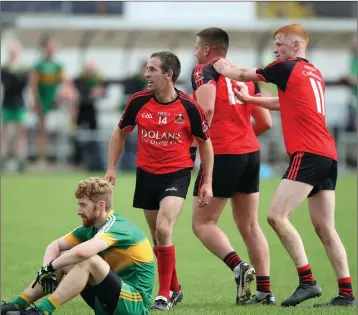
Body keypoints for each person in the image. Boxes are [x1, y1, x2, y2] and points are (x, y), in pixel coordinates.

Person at [214, 24, 356, 307]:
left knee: (276, 216)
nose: (275, 49)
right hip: (327, 154)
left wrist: (220, 65)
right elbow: (284, 102)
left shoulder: (284, 67)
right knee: (325, 227)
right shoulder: (311, 71)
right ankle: (346, 294)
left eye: (279, 43)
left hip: (308, 153)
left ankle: (307, 281)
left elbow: (243, 73)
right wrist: (250, 99)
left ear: (295, 45)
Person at [104, 51, 214, 311]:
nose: (146, 74)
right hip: (146, 175)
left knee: (164, 229)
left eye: (152, 69)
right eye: (146, 68)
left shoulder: (189, 107)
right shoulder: (138, 101)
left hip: (177, 174)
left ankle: (163, 294)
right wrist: (111, 168)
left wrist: (207, 180)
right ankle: (175, 288)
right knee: (157, 238)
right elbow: (119, 134)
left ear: (168, 75)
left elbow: (206, 144)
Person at [190, 27, 274, 305]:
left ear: (205, 50)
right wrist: (242, 138)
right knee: (250, 225)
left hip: (222, 154)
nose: (194, 52)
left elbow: (208, 109)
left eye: (195, 47)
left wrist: (194, 144)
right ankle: (265, 292)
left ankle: (239, 267)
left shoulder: (203, 70)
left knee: (203, 223)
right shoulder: (245, 76)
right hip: (251, 154)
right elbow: (265, 123)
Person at [1, 177, 155, 315]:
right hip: (110, 301)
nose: (78, 211)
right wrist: (47, 269)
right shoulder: (91, 226)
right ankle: (16, 305)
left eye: (83, 205)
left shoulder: (118, 226)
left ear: (100, 205)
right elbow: (55, 245)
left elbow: (82, 253)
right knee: (64, 257)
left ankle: (42, 311)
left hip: (135, 306)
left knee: (88, 260)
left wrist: (50, 267)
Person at [29, 36, 73, 165]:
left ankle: (62, 157)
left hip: (55, 101)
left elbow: (66, 82)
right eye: (49, 46)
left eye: (53, 47)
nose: (51, 49)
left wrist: (62, 95)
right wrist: (35, 101)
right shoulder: (38, 65)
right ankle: (41, 157)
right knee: (41, 129)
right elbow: (33, 85)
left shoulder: (58, 65)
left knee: (60, 127)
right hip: (42, 100)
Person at [1, 41, 29, 172]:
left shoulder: (23, 69)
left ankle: (21, 160)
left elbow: (23, 85)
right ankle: (3, 159)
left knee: (21, 134)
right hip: (7, 104)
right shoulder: (4, 68)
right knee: (5, 133)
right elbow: (6, 84)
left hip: (20, 105)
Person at [72, 61, 105, 167]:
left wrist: (98, 93)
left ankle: (93, 158)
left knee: (94, 133)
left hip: (92, 109)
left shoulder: (97, 80)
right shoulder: (79, 80)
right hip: (80, 110)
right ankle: (77, 159)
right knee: (77, 134)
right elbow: (79, 94)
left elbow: (101, 93)